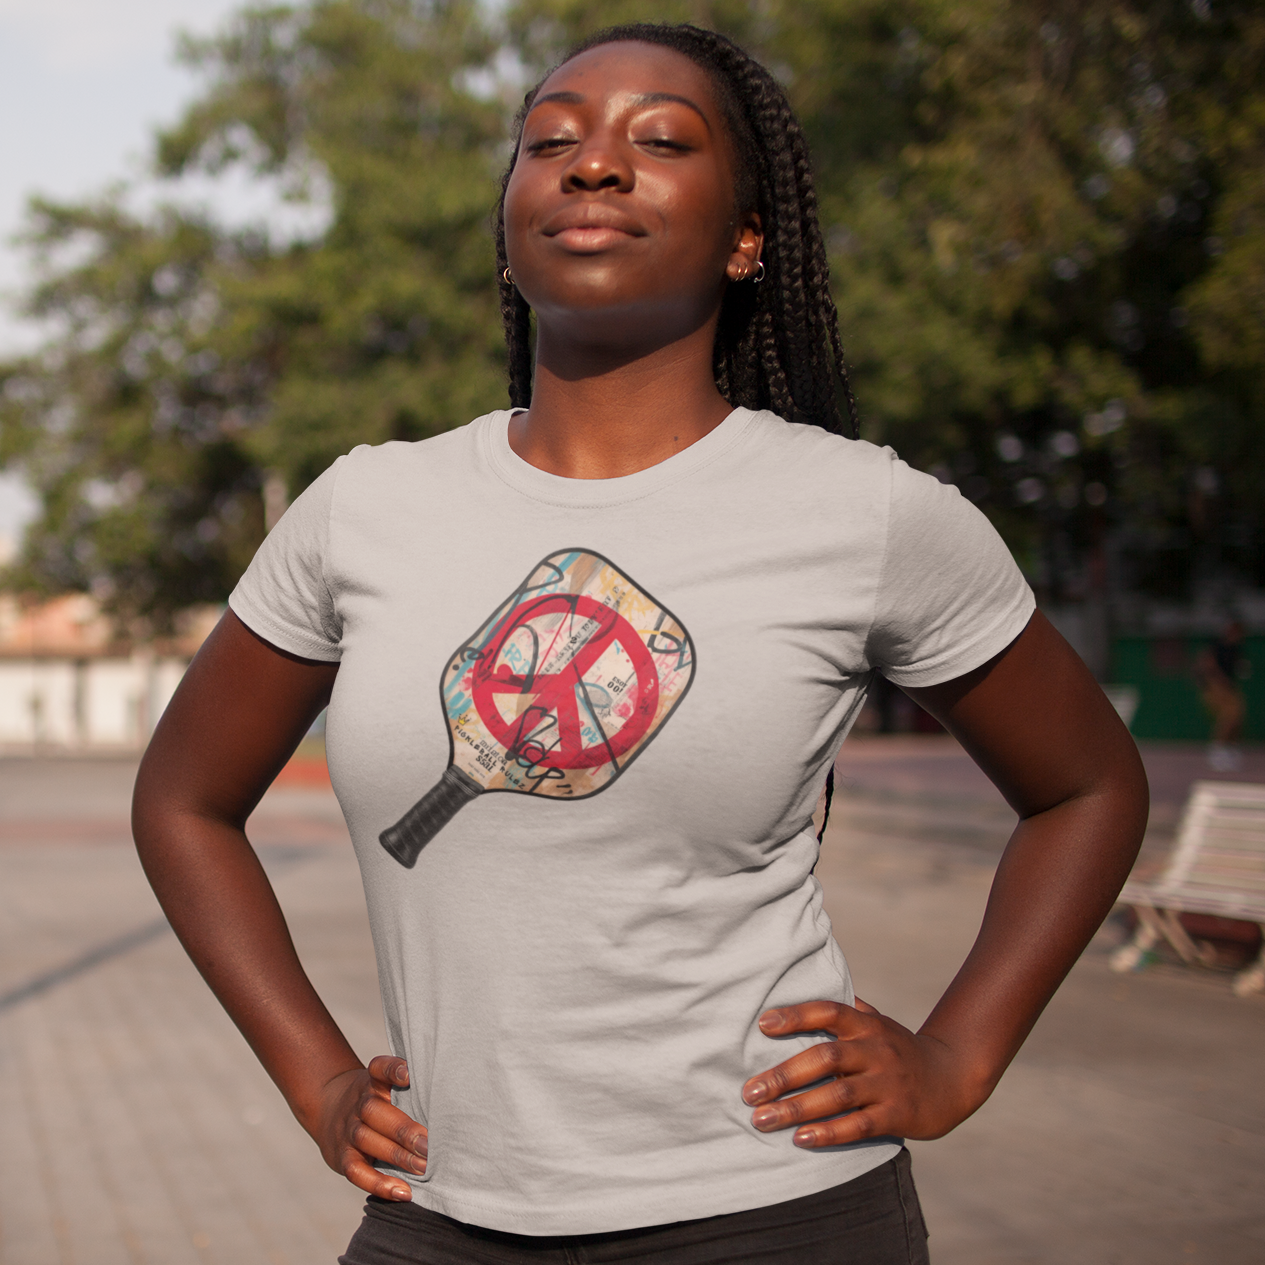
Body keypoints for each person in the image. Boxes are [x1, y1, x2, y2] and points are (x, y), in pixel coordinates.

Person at [132, 23, 1149, 1265]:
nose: (593, 164)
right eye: (549, 142)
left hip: (773, 1213)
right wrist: (315, 1077)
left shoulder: (866, 513)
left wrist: (956, 1054)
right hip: (436, 1217)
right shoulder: (366, 506)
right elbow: (182, 800)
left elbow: (1088, 785)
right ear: (509, 225)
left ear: (744, 238)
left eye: (658, 140)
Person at [1196, 620, 1247, 771]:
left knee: (1237, 716)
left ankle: (1230, 749)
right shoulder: (1219, 645)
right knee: (1228, 717)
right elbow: (1207, 663)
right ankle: (1217, 751)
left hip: (1229, 687)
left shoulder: (1236, 648)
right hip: (1216, 687)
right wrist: (1218, 681)